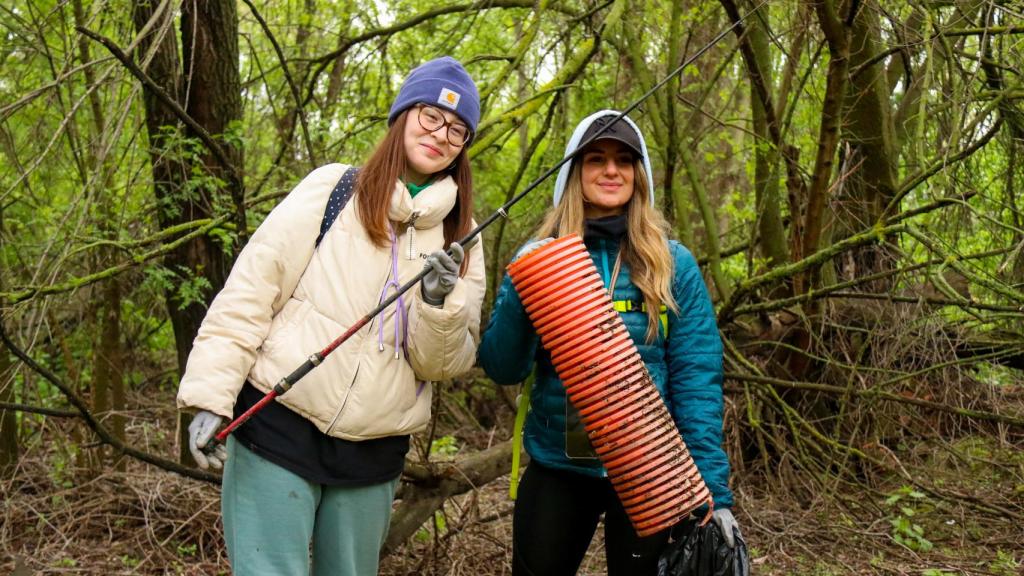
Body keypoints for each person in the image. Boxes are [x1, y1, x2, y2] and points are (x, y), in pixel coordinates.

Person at [176, 56, 486, 576]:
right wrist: (210, 396)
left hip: (372, 455)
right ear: (403, 115)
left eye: (457, 129)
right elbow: (249, 295)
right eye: (430, 116)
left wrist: (438, 305)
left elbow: (444, 365)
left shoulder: (463, 237)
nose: (441, 134)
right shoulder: (332, 189)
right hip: (276, 429)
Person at [478, 110, 738, 575]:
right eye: (595, 158)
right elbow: (502, 367)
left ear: (640, 175)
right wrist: (523, 284)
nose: (611, 170)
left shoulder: (672, 263)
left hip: (650, 466)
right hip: (558, 464)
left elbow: (698, 382)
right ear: (574, 173)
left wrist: (714, 493)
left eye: (624, 159)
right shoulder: (540, 258)